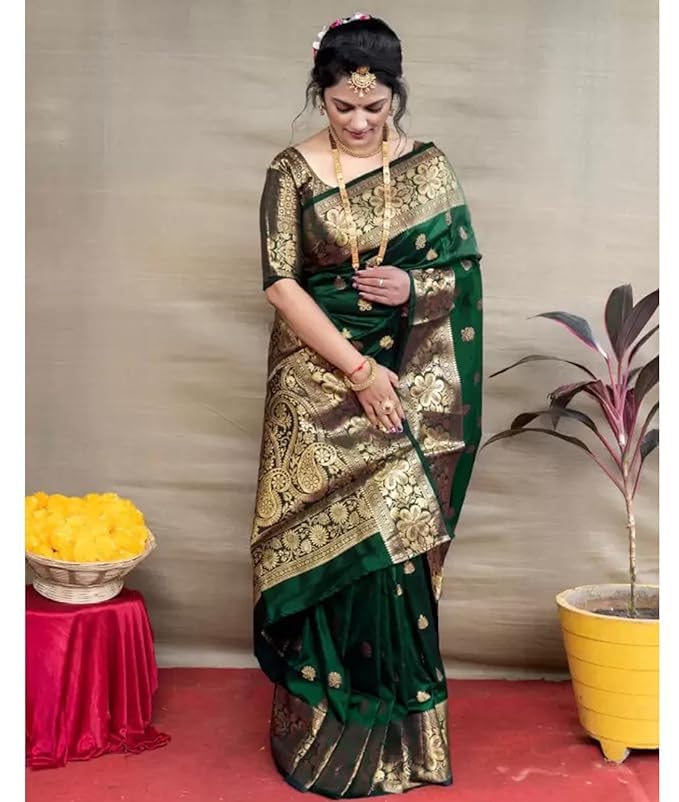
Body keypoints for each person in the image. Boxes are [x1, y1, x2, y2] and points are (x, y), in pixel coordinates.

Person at [250, 13, 482, 797]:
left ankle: (401, 747)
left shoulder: (428, 166)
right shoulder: (291, 171)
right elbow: (279, 283)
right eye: (341, 106)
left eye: (373, 107)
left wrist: (415, 285)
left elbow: (464, 277)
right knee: (329, 562)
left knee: (393, 552)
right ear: (320, 95)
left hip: (408, 383)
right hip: (316, 384)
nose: (357, 122)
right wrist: (357, 371)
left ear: (395, 96)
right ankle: (321, 742)